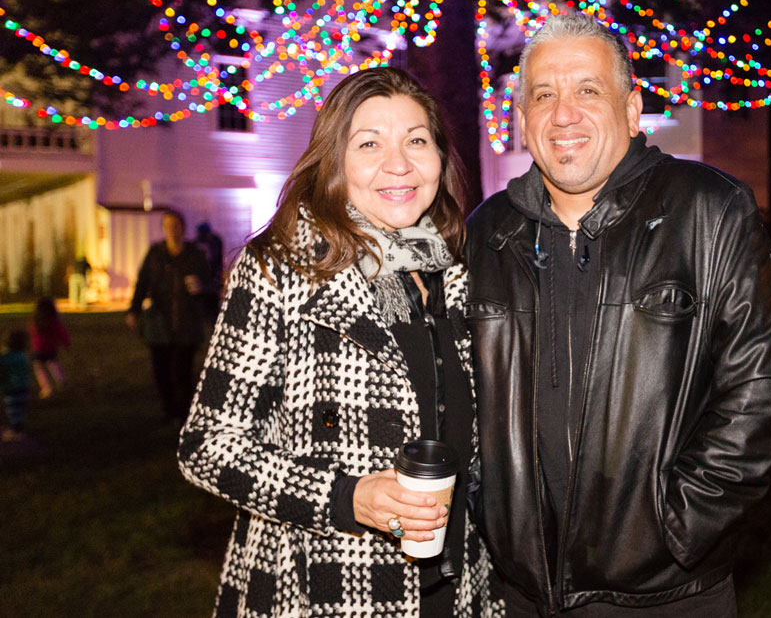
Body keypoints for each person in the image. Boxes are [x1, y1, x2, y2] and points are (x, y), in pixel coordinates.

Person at [465, 12, 771, 616]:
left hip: (666, 594)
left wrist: (676, 529)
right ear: (523, 117)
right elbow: (455, 394)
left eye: (587, 90)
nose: (563, 114)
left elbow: (766, 389)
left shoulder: (709, 210)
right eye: (543, 95)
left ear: (630, 108)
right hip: (521, 595)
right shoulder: (487, 233)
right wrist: (484, 508)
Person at [177, 67, 500, 617]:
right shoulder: (281, 270)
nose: (398, 164)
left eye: (416, 141)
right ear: (335, 161)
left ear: (440, 158)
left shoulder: (455, 272)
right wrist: (347, 497)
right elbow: (206, 446)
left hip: (457, 588)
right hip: (321, 587)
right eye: (369, 143)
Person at [126, 209, 209, 425]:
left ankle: (183, 414)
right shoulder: (155, 254)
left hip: (187, 323)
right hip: (159, 323)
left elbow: (210, 284)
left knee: (182, 372)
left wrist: (201, 287)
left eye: (177, 225)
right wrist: (134, 310)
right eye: (168, 226)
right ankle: (169, 410)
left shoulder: (195, 255)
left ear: (183, 228)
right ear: (163, 229)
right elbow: (142, 282)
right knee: (161, 371)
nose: (173, 230)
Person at [28, 296, 70, 399]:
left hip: (38, 349)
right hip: (51, 348)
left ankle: (46, 387)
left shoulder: (36, 321)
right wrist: (66, 344)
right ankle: (61, 380)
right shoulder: (55, 322)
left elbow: (31, 331)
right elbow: (62, 333)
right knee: (53, 363)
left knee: (39, 367)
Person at [1, 329, 32, 442]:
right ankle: (16, 429)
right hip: (24, 388)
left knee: (13, 413)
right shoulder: (22, 355)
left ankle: (17, 432)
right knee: (18, 412)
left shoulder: (7, 356)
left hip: (12, 390)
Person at [193, 221, 225, 325]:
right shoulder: (214, 241)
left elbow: (218, 263)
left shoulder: (213, 241)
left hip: (211, 285)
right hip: (206, 285)